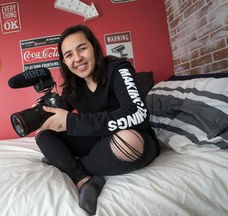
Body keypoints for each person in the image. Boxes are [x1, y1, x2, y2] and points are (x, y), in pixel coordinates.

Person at [35, 24, 159, 215]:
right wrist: (40, 115)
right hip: (97, 142)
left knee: (128, 141)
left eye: (82, 48)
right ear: (65, 62)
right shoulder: (73, 87)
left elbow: (138, 114)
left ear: (94, 47)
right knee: (43, 134)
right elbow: (58, 118)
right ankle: (84, 180)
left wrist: (71, 127)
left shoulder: (118, 68)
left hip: (131, 138)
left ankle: (67, 164)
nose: (77, 58)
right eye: (69, 55)